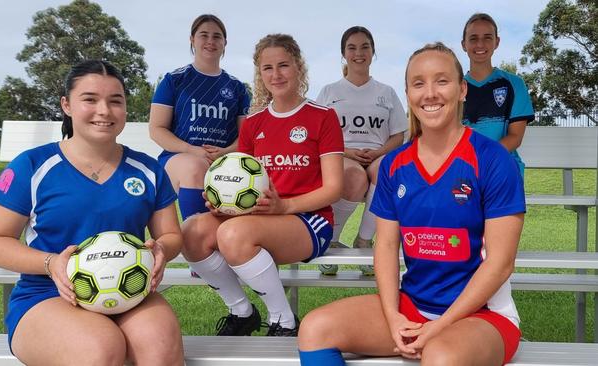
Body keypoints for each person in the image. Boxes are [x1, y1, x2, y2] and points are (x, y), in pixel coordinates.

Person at [298, 42, 525, 366]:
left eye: (442, 81)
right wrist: (393, 317)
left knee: (440, 356)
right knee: (314, 329)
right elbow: (386, 247)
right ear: (408, 93)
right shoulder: (394, 165)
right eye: (419, 83)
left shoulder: (492, 160)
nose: (430, 93)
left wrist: (439, 327)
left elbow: (500, 264)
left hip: (482, 317)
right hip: (413, 306)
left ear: (462, 90)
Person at [0, 60, 184, 365]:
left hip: (131, 290)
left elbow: (170, 235)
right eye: (90, 99)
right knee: (100, 348)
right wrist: (51, 264)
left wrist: (161, 250)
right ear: (67, 105)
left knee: (160, 346)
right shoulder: (32, 165)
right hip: (48, 294)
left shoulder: (148, 170)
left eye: (115, 101)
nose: (104, 110)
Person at [182, 33, 344, 337]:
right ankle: (242, 312)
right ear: (260, 73)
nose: (276, 74)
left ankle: (284, 321)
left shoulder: (323, 117)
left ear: (298, 67)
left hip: (310, 219)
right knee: (191, 231)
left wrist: (286, 206)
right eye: (267, 68)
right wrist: (223, 202)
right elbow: (241, 180)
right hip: (260, 217)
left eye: (283, 65)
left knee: (233, 234)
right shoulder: (254, 125)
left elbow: (334, 188)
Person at [316, 26, 407, 276]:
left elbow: (398, 134)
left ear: (373, 52)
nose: (359, 53)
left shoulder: (386, 92)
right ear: (343, 54)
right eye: (352, 48)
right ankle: (331, 240)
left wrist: (378, 153)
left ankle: (364, 241)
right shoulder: (329, 91)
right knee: (354, 177)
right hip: (343, 155)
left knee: (385, 170)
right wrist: (346, 151)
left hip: (378, 154)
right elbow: (318, 134)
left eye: (365, 47)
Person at [149, 14, 251, 222]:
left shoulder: (236, 87)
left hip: (224, 159)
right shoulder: (174, 80)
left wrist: (226, 151)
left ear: (225, 43)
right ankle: (195, 237)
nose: (210, 41)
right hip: (179, 158)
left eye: (217, 36)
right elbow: (157, 129)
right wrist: (193, 150)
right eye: (204, 35)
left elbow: (246, 136)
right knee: (195, 167)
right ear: (192, 40)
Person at [461, 13, 535, 176]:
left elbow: (515, 136)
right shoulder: (454, 88)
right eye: (473, 38)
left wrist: (484, 159)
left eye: (487, 37)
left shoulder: (515, 84)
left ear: (497, 42)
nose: (480, 44)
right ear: (464, 44)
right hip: (463, 169)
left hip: (503, 167)